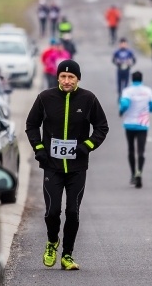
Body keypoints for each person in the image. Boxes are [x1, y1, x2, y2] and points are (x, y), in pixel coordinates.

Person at [25, 60, 109, 271]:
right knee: (52, 212)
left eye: (71, 77)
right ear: (58, 78)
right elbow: (31, 125)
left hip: (77, 168)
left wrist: (87, 146)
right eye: (63, 76)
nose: (67, 81)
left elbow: (102, 127)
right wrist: (39, 148)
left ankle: (67, 255)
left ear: (78, 79)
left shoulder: (88, 99)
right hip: (51, 166)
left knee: (72, 211)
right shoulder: (45, 98)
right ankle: (52, 241)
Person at [119, 71, 152, 188]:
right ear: (141, 79)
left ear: (132, 79)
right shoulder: (148, 91)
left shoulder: (127, 91)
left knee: (131, 149)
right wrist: (146, 109)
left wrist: (121, 111)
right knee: (141, 150)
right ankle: (139, 172)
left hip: (129, 124)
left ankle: (132, 174)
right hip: (143, 124)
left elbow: (124, 105)